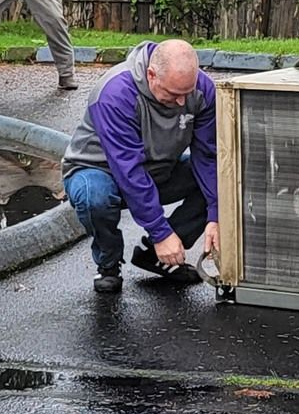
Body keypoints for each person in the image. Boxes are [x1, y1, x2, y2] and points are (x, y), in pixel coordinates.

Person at [61, 38, 220, 295]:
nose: (182, 103)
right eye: (173, 95)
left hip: (158, 168)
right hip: (100, 170)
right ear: (151, 75)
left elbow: (207, 156)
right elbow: (129, 171)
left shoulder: (202, 90)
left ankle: (158, 256)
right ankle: (109, 262)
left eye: (186, 94)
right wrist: (160, 231)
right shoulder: (114, 94)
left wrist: (216, 214)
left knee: (223, 180)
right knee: (95, 199)